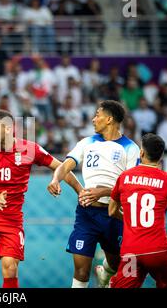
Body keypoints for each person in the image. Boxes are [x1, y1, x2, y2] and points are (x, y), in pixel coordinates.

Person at [0, 110, 83, 288]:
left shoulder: (30, 149)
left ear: (7, 129)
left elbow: (61, 167)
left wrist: (78, 190)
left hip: (11, 218)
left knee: (10, 268)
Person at [48, 100, 140, 288]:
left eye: (97, 115)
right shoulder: (86, 142)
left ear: (109, 119)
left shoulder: (130, 148)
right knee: (81, 272)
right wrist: (56, 179)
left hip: (114, 214)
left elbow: (131, 187)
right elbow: (65, 165)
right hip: (87, 214)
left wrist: (104, 192)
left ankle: (105, 274)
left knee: (115, 265)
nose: (93, 119)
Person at [108, 133, 167, 288]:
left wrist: (129, 220)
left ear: (141, 153)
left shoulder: (124, 177)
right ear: (161, 156)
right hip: (158, 251)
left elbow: (111, 210)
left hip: (131, 253)